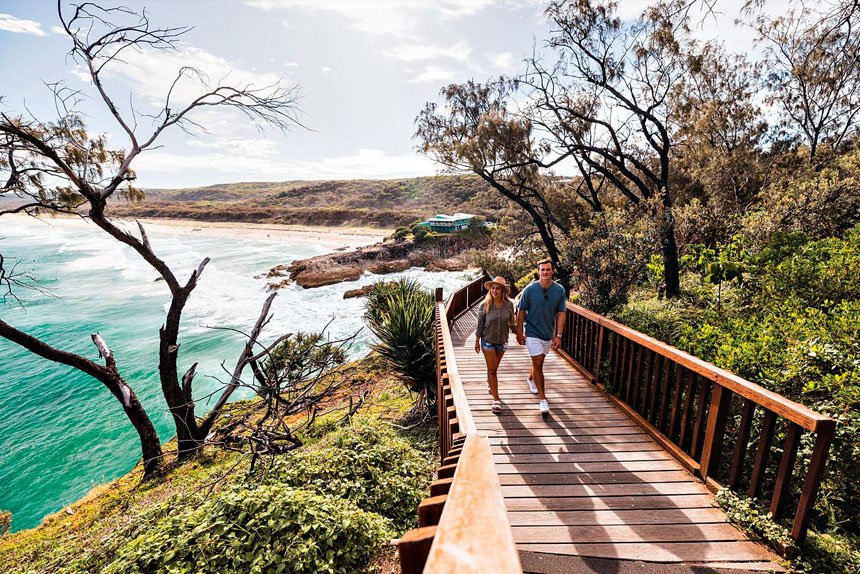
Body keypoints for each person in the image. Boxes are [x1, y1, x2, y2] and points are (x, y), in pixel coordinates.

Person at [516, 259, 566, 414]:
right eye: (542, 269)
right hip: (532, 331)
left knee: (539, 361)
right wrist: (519, 332)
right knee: (538, 363)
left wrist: (558, 335)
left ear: (552, 271)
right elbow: (521, 311)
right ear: (538, 271)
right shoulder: (530, 289)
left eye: (548, 269)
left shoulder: (559, 290)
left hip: (547, 333)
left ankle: (530, 379)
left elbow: (561, 313)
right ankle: (543, 400)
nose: (545, 272)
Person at [474, 276, 515, 414]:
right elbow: (479, 325)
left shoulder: (509, 305)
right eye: (493, 288)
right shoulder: (484, 305)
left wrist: (521, 334)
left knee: (494, 368)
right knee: (492, 369)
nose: (494, 291)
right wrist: (477, 341)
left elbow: (511, 323)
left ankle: (489, 382)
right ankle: (496, 399)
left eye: (498, 288)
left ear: (503, 290)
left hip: (502, 341)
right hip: (487, 340)